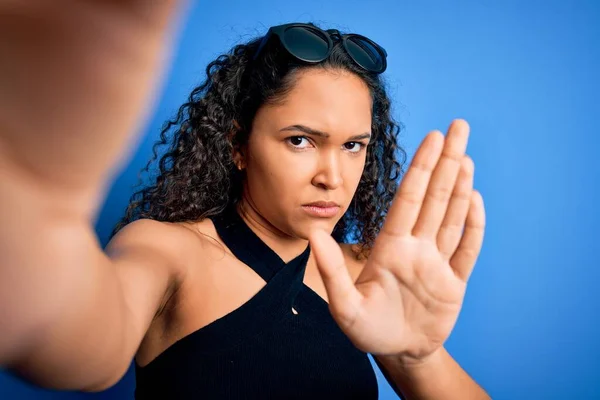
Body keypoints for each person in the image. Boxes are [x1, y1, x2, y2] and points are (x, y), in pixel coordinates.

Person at [0, 2, 490, 399]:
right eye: (300, 140)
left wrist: (417, 359)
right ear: (237, 145)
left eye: (352, 145)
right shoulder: (171, 251)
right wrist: (34, 226)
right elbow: (83, 351)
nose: (332, 176)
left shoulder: (369, 272)